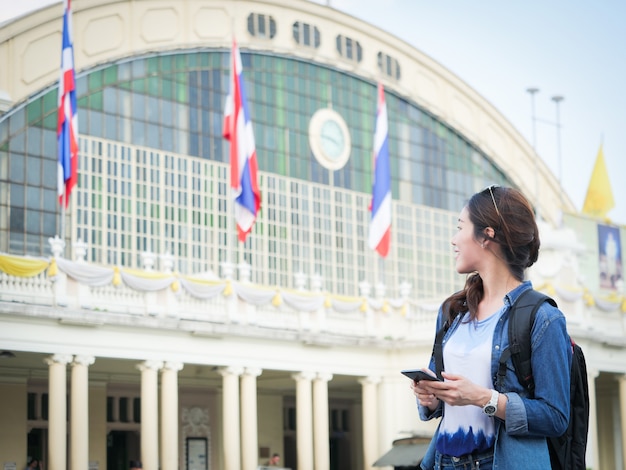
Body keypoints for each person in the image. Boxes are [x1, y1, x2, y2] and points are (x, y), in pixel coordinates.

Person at [410, 186, 572, 470]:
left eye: (461, 227)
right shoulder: (452, 312)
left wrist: (483, 397)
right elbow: (442, 399)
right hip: (445, 462)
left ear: (487, 235)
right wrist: (430, 399)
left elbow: (555, 416)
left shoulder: (544, 318)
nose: (453, 239)